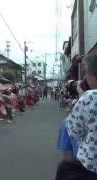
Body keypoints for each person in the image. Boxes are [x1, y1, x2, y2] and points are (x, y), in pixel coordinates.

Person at [56, 51, 97, 180]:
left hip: (91, 167)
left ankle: (68, 157)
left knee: (64, 168)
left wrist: (81, 98)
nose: (85, 77)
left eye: (86, 73)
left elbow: (74, 131)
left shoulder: (90, 97)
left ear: (94, 76)